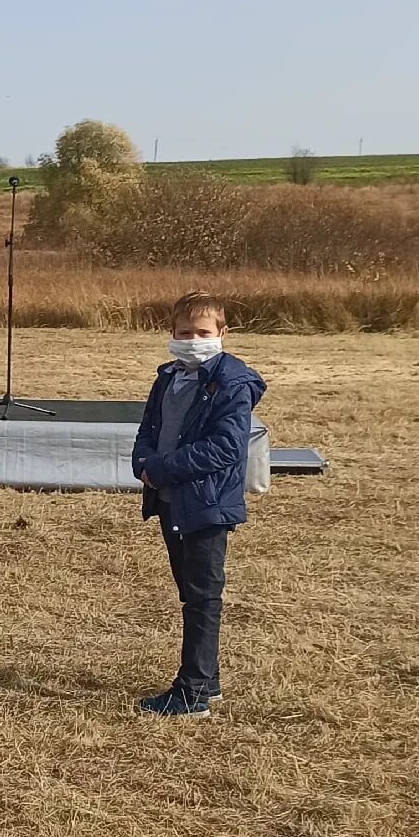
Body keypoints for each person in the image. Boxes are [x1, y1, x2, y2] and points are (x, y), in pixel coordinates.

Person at [130, 292, 267, 719]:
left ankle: (192, 693)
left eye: (203, 333)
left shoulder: (231, 382)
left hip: (207, 503)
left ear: (222, 334)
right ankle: (207, 679)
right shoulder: (168, 377)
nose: (193, 340)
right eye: (185, 333)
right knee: (190, 592)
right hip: (171, 501)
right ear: (171, 333)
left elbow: (227, 447)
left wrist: (164, 468)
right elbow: (148, 428)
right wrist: (144, 464)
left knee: (203, 597)